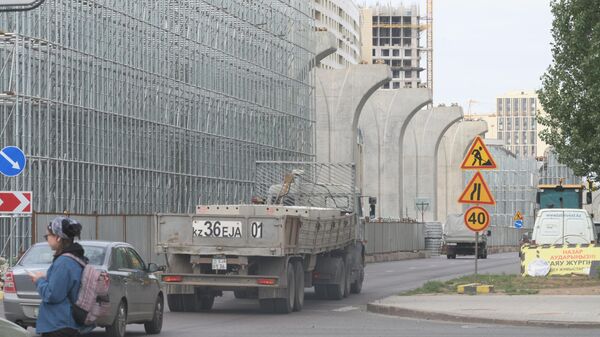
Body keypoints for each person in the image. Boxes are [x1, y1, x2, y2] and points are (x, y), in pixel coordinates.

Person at [28, 216, 84, 337]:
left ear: (58, 237)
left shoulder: (64, 262)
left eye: (47, 236)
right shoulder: (74, 258)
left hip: (59, 324)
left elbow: (52, 295)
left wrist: (39, 280)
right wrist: (48, 276)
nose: (47, 239)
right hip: (65, 323)